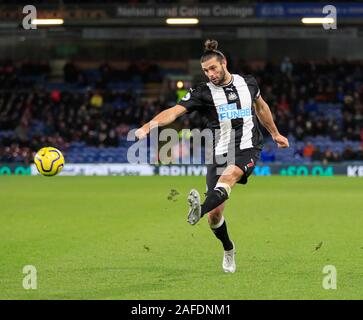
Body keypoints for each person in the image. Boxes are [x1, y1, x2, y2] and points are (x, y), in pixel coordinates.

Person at [135, 40, 289, 273]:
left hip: (248, 146)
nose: (210, 74)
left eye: (213, 68)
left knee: (230, 176)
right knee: (215, 217)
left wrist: (275, 134)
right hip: (219, 151)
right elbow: (174, 111)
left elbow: (261, 107)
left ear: (224, 63)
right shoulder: (202, 92)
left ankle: (198, 210)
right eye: (206, 71)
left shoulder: (248, 83)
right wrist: (149, 126)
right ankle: (228, 247)